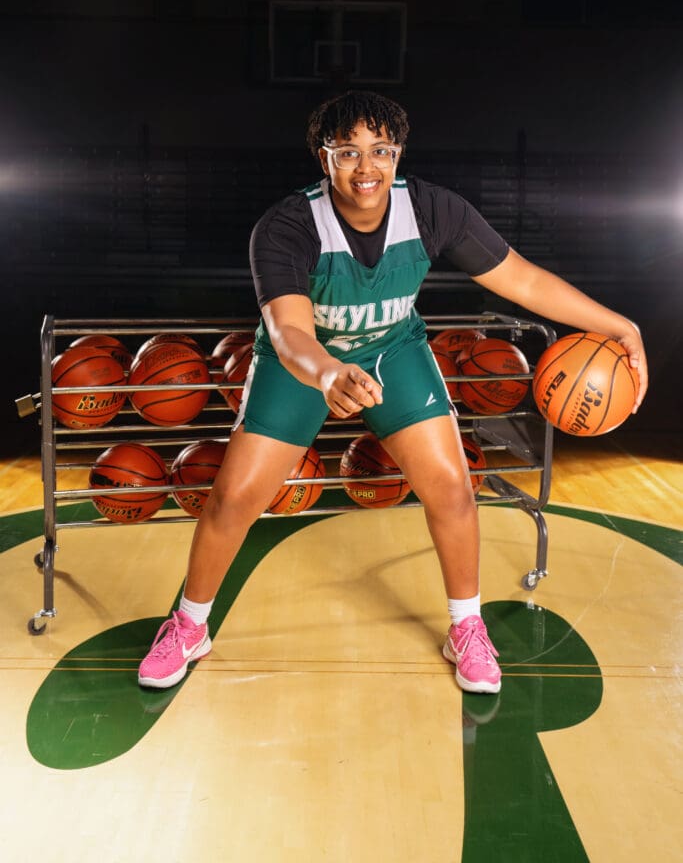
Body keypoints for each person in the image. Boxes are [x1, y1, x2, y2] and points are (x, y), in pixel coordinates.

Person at [138, 90, 648, 695]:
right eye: (347, 152)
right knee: (233, 499)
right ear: (322, 158)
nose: (365, 167)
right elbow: (289, 330)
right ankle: (189, 625)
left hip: (393, 349)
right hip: (303, 363)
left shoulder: (434, 210)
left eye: (380, 150)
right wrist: (327, 374)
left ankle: (466, 627)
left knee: (453, 488)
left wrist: (619, 326)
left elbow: (523, 279)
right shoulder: (286, 226)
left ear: (398, 152)